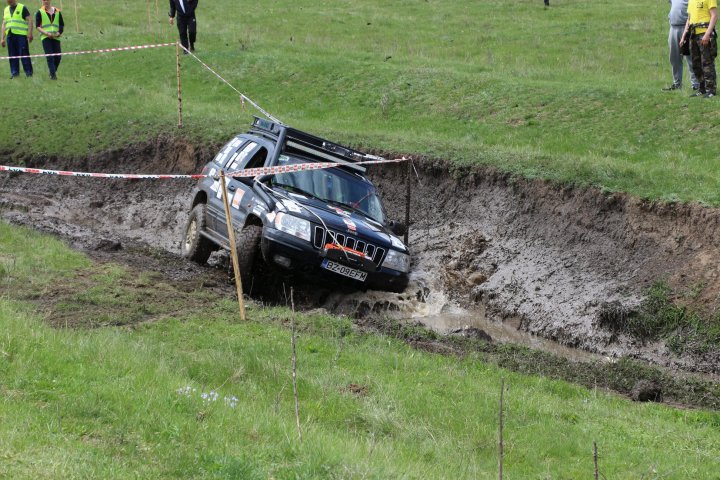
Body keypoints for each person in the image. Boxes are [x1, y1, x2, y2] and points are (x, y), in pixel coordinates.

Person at [680, 0, 718, 97]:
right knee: (696, 62)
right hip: (693, 35)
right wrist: (684, 35)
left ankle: (711, 90)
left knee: (707, 62)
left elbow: (714, 15)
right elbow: (689, 19)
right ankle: (702, 88)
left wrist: (707, 34)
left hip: (704, 34)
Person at [664, 0, 700, 91]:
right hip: (673, 28)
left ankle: (696, 84)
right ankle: (677, 84)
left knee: (691, 57)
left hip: (687, 27)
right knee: (674, 58)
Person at [1, 0, 33, 79]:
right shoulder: (6, 9)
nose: (9, 1)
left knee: (24, 54)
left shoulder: (22, 7)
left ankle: (28, 73)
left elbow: (30, 20)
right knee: (12, 55)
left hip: (21, 35)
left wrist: (29, 33)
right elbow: (4, 24)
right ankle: (14, 73)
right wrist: (2, 38)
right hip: (10, 35)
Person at [35, 0, 62, 80]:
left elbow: (61, 25)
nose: (45, 1)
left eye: (47, 0)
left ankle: (52, 72)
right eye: (44, 0)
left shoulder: (57, 11)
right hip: (46, 37)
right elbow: (37, 26)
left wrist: (59, 32)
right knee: (50, 57)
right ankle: (53, 76)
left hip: (56, 37)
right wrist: (46, 33)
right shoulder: (39, 12)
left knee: (58, 57)